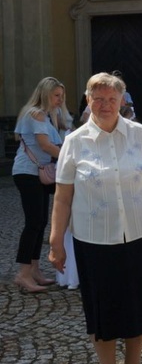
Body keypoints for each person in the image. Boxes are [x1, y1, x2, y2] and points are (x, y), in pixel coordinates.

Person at [49, 72, 142, 364]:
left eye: (112, 98)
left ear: (122, 101)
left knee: (138, 306)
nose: (105, 104)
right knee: (102, 308)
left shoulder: (139, 134)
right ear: (88, 100)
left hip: (140, 234)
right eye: (98, 98)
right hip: (95, 241)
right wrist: (55, 243)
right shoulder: (75, 141)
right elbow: (63, 197)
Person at [12, 77, 68, 293]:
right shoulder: (35, 113)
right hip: (28, 173)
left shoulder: (45, 116)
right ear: (45, 94)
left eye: (61, 96)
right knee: (33, 222)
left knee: (40, 221)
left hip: (39, 174)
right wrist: (70, 157)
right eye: (56, 95)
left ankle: (34, 270)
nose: (59, 99)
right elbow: (45, 146)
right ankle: (23, 273)